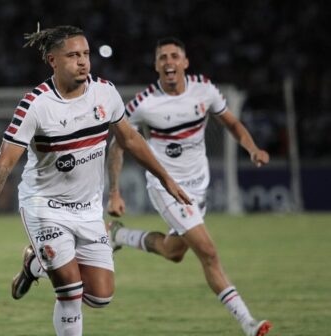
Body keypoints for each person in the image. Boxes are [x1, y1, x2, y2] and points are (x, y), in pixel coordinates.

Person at [0, 26, 190, 336]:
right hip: (44, 206)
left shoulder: (105, 92)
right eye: (73, 55)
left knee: (101, 297)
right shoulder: (35, 105)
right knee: (70, 293)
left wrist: (166, 179)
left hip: (88, 210)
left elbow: (130, 139)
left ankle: (33, 265)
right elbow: (3, 164)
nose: (83, 62)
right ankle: (48, 264)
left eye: (86, 54)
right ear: (53, 60)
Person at [106, 37, 272, 336]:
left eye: (174, 56)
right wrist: (114, 190)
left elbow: (232, 123)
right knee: (208, 252)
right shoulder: (144, 103)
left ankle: (119, 235)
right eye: (162, 58)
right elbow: (117, 145)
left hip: (199, 187)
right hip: (166, 188)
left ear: (185, 62)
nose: (168, 62)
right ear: (156, 66)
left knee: (174, 252)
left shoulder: (204, 90)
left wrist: (252, 148)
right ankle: (248, 323)